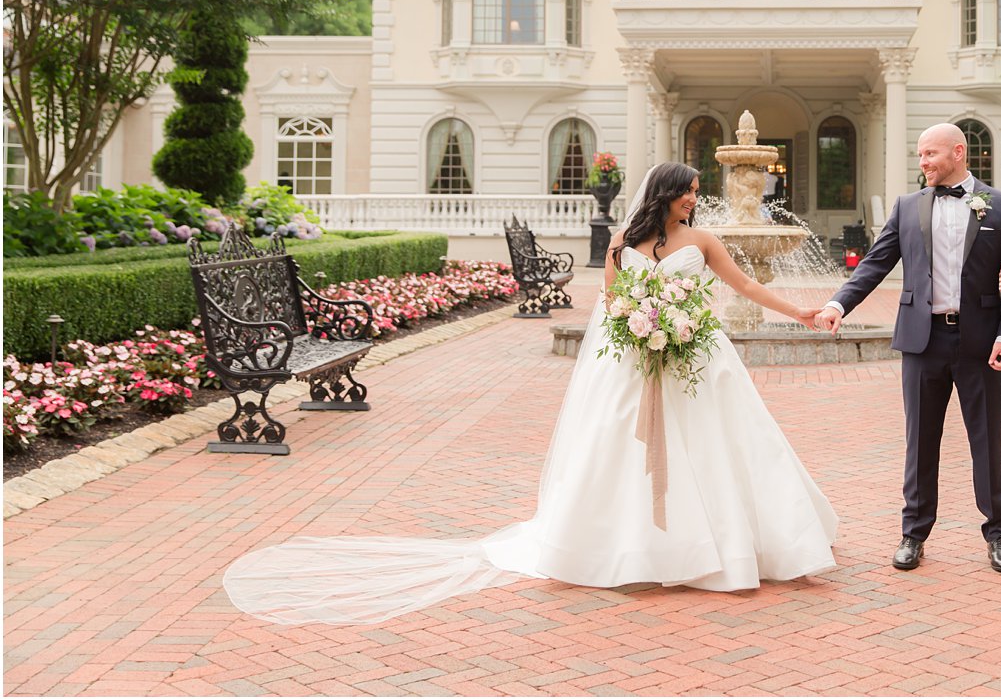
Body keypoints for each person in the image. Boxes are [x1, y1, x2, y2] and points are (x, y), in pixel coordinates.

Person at [224, 162, 837, 624]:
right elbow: (613, 304)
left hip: (696, 357)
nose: (695, 199)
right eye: (690, 190)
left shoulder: (703, 243)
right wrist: (642, 326)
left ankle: (730, 543)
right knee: (620, 453)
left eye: (698, 192)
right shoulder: (623, 245)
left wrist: (801, 313)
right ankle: (632, 549)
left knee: (719, 447)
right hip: (635, 358)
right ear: (666, 194)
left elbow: (746, 290)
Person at [816, 123, 1001, 574]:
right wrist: (839, 303)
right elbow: (876, 263)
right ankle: (913, 533)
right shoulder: (908, 207)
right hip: (922, 340)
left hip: (981, 343)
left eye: (930, 154)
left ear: (958, 152)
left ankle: (998, 534)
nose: (923, 162)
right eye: (919, 155)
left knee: (987, 441)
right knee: (920, 441)